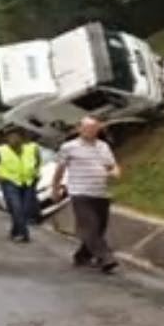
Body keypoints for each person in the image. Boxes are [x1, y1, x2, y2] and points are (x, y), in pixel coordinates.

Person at [52, 116, 121, 273]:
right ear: (79, 129)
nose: (91, 131)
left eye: (95, 128)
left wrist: (115, 172)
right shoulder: (69, 147)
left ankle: (82, 256)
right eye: (88, 128)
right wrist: (55, 189)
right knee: (90, 226)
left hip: (101, 193)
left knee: (99, 228)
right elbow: (59, 170)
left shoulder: (103, 146)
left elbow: (112, 165)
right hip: (80, 192)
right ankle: (106, 257)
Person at [0, 125, 40, 243]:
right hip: (9, 182)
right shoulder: (0, 150)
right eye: (10, 137)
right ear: (6, 138)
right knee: (16, 207)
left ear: (22, 138)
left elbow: (37, 162)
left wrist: (36, 174)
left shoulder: (32, 148)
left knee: (25, 210)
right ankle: (23, 234)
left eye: (16, 136)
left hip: (28, 182)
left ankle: (15, 230)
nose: (13, 139)